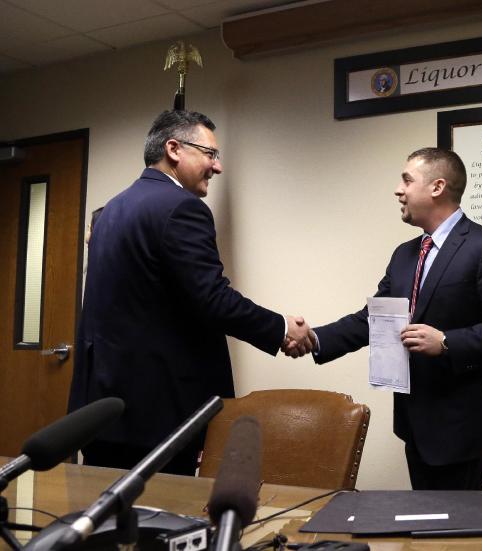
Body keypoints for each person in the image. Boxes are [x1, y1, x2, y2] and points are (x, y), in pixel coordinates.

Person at [68, 110, 314, 475]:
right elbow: (211, 299)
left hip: (104, 410)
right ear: (174, 149)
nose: (217, 167)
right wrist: (280, 328)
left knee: (111, 522)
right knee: (163, 522)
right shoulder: (181, 208)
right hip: (158, 417)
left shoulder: (112, 209)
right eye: (210, 154)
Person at [304, 148, 482, 490]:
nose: (399, 190)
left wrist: (445, 342)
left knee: (454, 535)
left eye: (407, 180)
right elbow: (374, 318)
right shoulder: (404, 254)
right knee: (427, 528)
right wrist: (313, 338)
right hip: (415, 422)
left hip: (463, 425)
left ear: (437, 187)